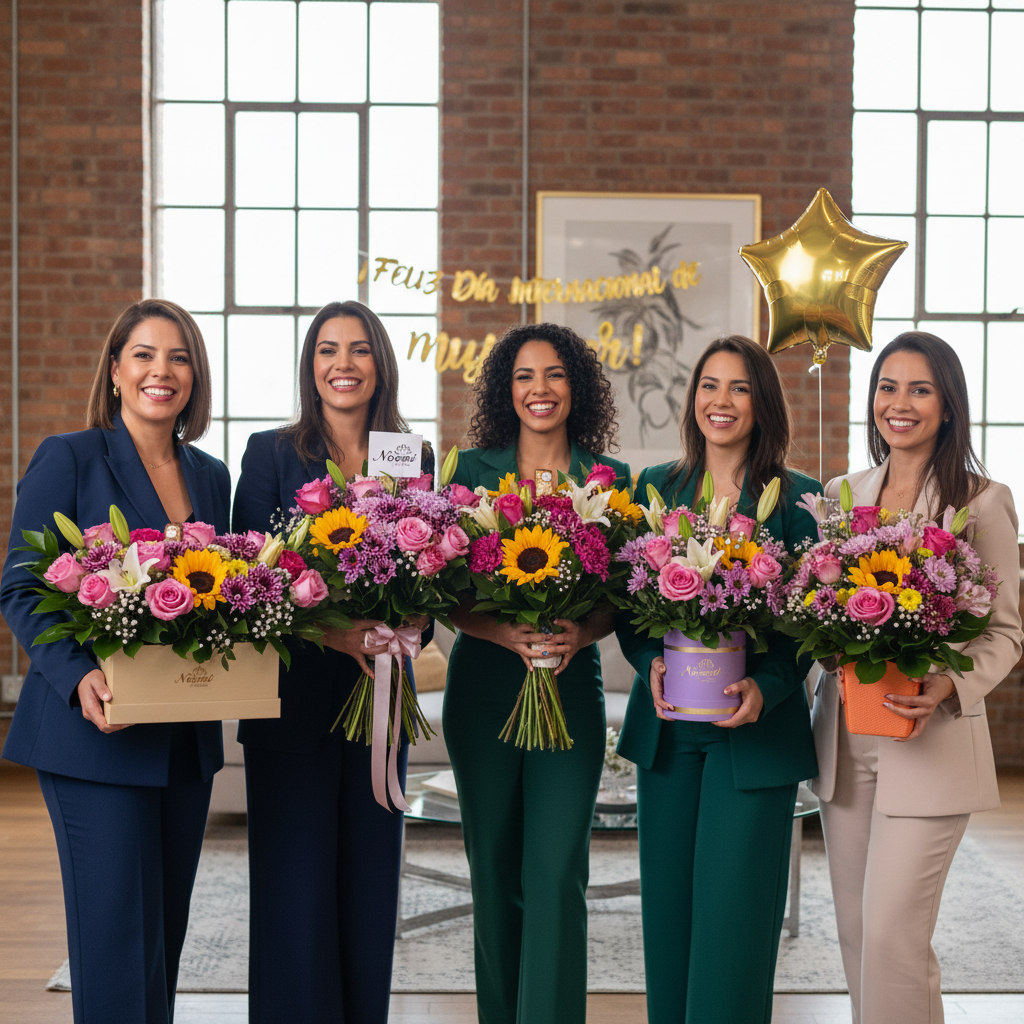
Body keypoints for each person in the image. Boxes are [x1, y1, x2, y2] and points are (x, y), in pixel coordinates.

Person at [0, 299, 230, 1024]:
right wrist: (76, 676)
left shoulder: (212, 475)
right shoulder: (70, 456)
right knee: (113, 942)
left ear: (195, 376)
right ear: (116, 369)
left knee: (161, 936)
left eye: (180, 357)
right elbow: (20, 583)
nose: (162, 371)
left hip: (183, 738)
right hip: (93, 734)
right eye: (145, 355)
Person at [811, 331, 1022, 1024]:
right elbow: (823, 608)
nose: (899, 404)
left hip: (930, 744)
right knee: (855, 932)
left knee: (894, 936)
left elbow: (1005, 631)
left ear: (948, 405)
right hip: (846, 743)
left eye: (920, 390)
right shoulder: (842, 494)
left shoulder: (983, 502)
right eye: (888, 387)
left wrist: (948, 686)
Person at [231, 299, 432, 1024]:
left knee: (370, 885)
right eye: (326, 350)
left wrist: (414, 619)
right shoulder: (270, 454)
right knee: (295, 890)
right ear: (309, 368)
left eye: (357, 349)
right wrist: (337, 633)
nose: (342, 364)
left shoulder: (413, 455)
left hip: (381, 704)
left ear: (381, 363)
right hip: (293, 706)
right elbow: (251, 589)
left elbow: (429, 572)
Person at [615, 334, 820, 1024]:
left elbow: (809, 620)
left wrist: (769, 684)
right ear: (692, 397)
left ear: (761, 402)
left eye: (738, 388)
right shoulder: (653, 490)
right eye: (709, 386)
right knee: (668, 914)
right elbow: (630, 610)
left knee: (734, 919)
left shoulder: (802, 502)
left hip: (753, 734)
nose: (721, 401)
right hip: (671, 731)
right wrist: (652, 665)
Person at [443, 321, 630, 1024]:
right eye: (524, 376)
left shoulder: (611, 482)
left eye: (553, 374)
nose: (539, 389)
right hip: (484, 689)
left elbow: (621, 597)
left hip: (570, 691)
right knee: (492, 870)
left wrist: (582, 630)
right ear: (505, 388)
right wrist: (502, 629)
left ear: (575, 386)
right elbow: (446, 593)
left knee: (555, 874)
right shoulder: (467, 475)